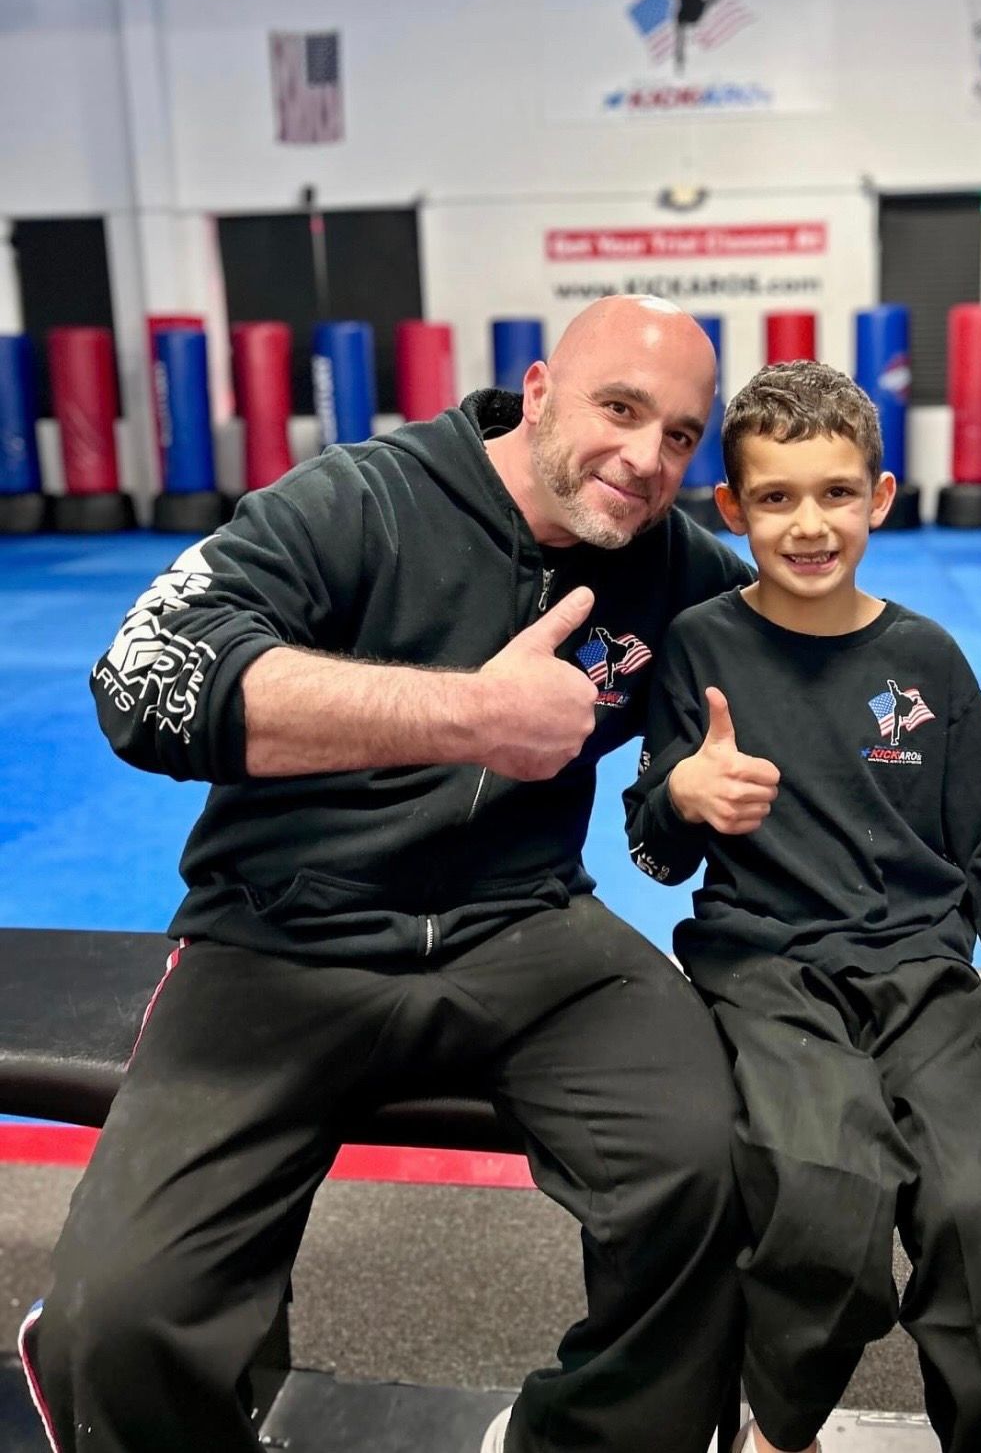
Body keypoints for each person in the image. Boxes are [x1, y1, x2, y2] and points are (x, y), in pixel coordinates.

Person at [20, 296, 753, 1453]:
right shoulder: (362, 499)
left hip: (525, 931)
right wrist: (470, 715)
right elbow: (142, 674)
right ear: (542, 388)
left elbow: (820, 656)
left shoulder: (673, 568)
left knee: (712, 1173)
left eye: (678, 435)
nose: (645, 457)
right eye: (620, 409)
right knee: (117, 1321)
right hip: (282, 936)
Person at [623, 360, 981, 1453]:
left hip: (925, 982)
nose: (809, 525)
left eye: (835, 494)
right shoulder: (702, 648)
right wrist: (681, 794)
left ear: (881, 498)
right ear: (732, 507)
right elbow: (655, 850)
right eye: (775, 498)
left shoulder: (926, 662)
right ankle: (783, 1424)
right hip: (766, 974)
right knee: (823, 1193)